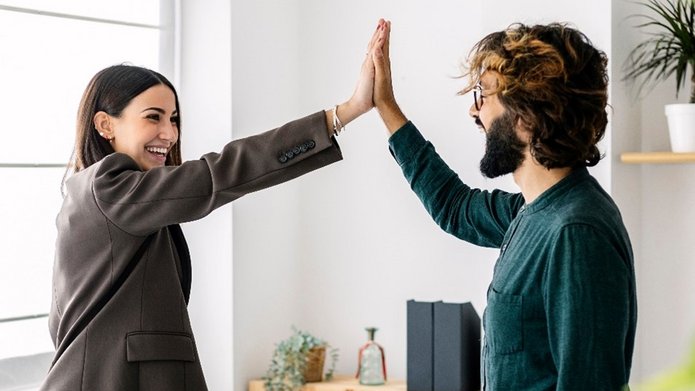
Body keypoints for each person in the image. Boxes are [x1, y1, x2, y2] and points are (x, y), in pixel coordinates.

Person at [40, 22, 387, 391]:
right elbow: (219, 173)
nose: (170, 133)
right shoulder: (109, 187)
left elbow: (60, 320)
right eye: (153, 117)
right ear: (105, 125)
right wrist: (343, 113)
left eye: (173, 119)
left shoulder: (86, 197)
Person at [370, 21, 637, 390]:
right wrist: (385, 106)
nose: (473, 111)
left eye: (483, 94)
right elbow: (455, 207)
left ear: (526, 116)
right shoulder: (532, 212)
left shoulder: (575, 233)